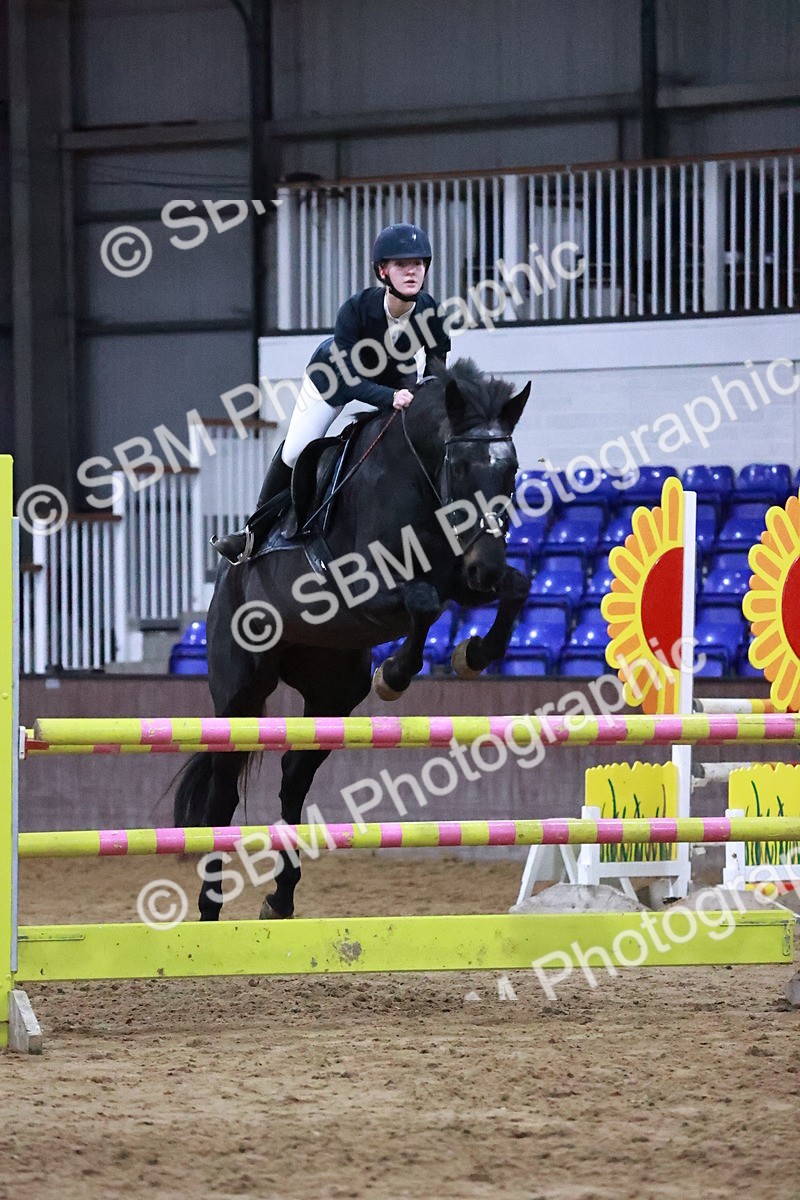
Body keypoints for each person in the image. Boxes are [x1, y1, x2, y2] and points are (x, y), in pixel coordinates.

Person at [213, 222, 451, 563]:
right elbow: (351, 379)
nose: (412, 271)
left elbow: (436, 365)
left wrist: (427, 401)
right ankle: (253, 532)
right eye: (401, 264)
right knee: (297, 450)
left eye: (418, 263)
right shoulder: (355, 310)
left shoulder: (431, 312)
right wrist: (390, 398)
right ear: (383, 271)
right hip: (334, 379)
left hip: (395, 377)